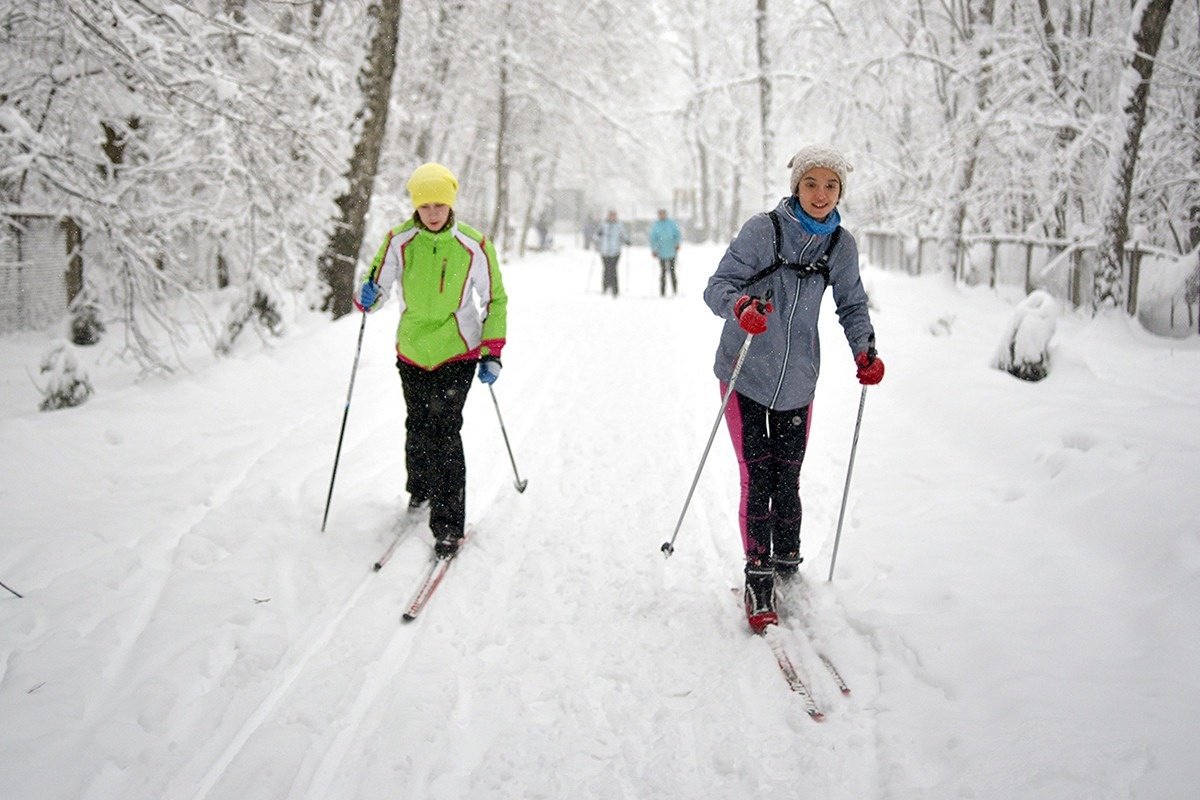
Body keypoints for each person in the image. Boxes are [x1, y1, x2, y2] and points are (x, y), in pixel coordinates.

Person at [702, 144, 885, 633]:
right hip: (745, 372)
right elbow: (716, 286)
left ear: (840, 191)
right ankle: (758, 574)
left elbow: (851, 304)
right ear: (796, 187)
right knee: (757, 475)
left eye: (830, 185)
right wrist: (741, 306)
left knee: (788, 476)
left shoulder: (840, 246)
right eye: (811, 184)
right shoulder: (765, 230)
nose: (820, 194)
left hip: (800, 379)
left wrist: (864, 350)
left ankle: (787, 562)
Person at [354, 162, 508, 558]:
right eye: (426, 206)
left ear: (451, 203)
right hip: (412, 350)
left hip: (458, 351)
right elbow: (377, 288)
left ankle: (448, 523)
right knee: (418, 424)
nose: (434, 212)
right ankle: (418, 490)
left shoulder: (474, 244)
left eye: (440, 204)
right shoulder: (398, 241)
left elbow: (494, 299)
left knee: (445, 430)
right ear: (416, 207)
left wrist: (492, 352)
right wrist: (368, 297)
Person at [594, 209, 630, 296]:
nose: (612, 217)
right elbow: (596, 236)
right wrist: (598, 236)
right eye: (611, 215)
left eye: (614, 215)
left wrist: (627, 241)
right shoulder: (603, 225)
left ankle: (615, 289)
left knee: (613, 269)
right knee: (606, 269)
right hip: (604, 251)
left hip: (615, 251)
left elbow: (624, 234)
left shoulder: (619, 225)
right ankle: (605, 287)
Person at [649, 209, 682, 297]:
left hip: (671, 251)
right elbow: (653, 238)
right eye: (660, 214)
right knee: (663, 272)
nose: (661, 215)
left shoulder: (671, 223)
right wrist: (654, 249)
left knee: (672, 271)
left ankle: (675, 290)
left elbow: (677, 234)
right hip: (661, 252)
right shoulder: (656, 225)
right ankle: (662, 292)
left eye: (663, 214)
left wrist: (677, 243)